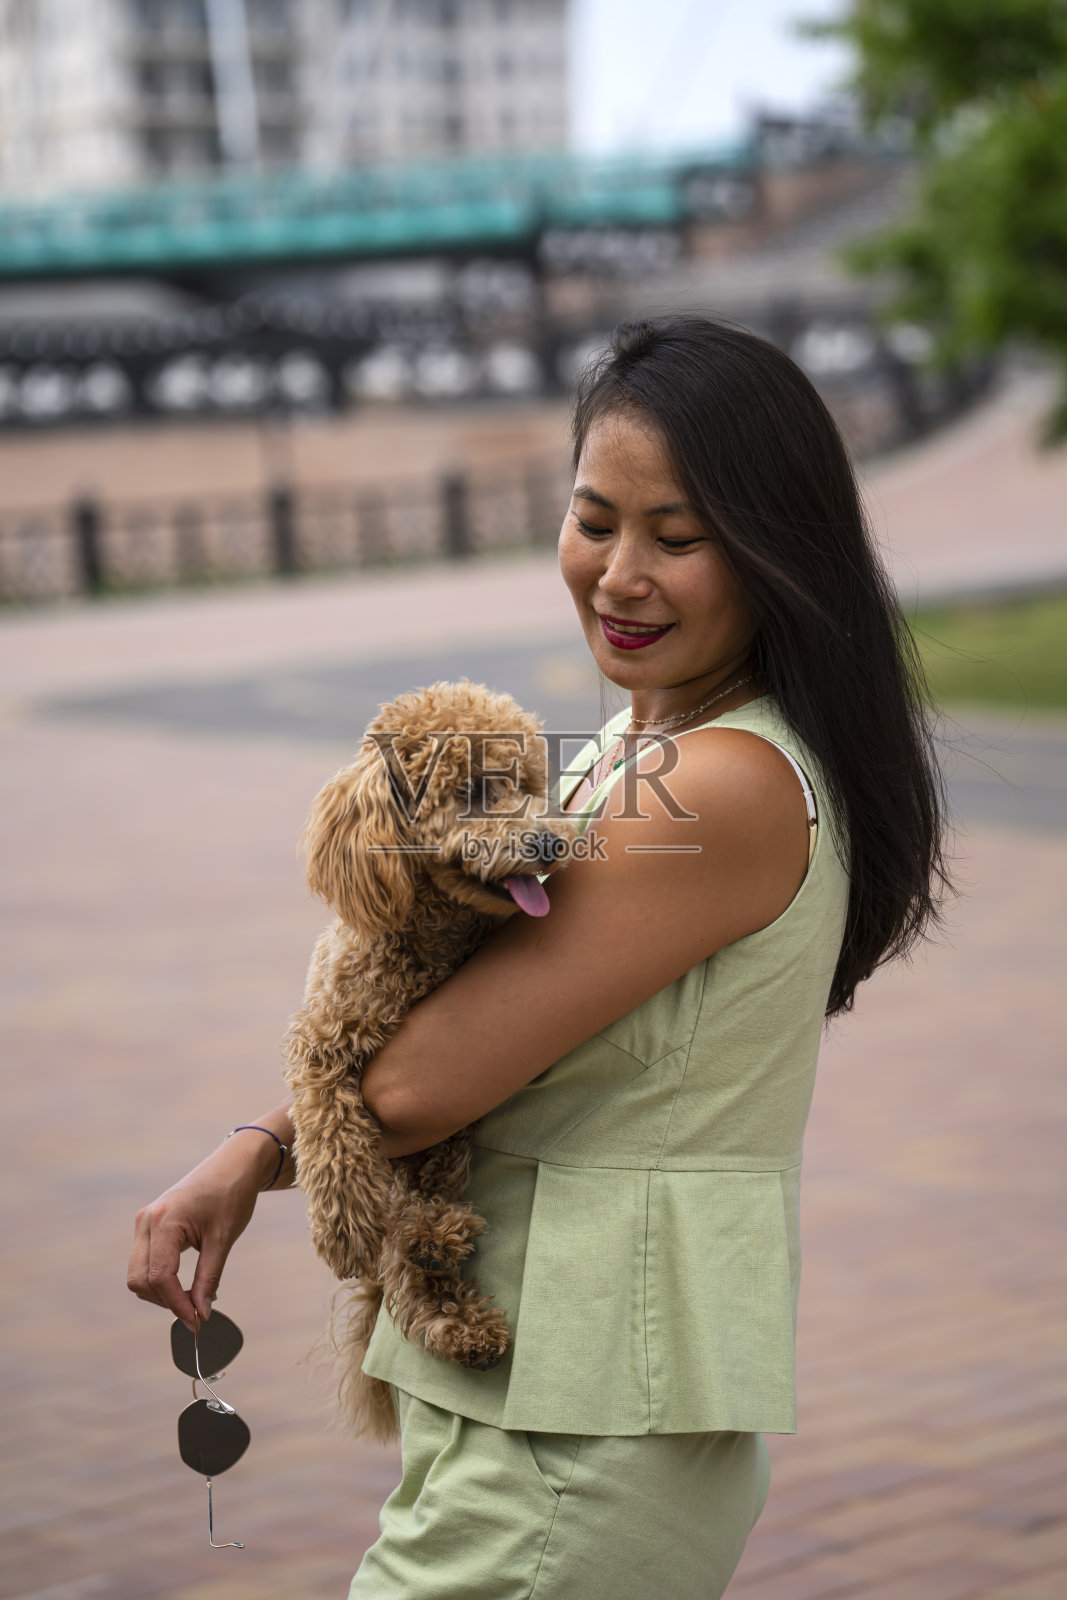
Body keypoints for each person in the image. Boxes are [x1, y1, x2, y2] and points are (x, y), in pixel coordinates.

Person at [128, 316, 948, 1598]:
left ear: (777, 553)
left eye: (676, 538)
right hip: (542, 1401)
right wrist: (260, 1147)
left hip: (576, 1432)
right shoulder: (631, 753)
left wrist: (267, 1139)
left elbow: (409, 1087)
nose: (618, 574)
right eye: (592, 519)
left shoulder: (717, 783)